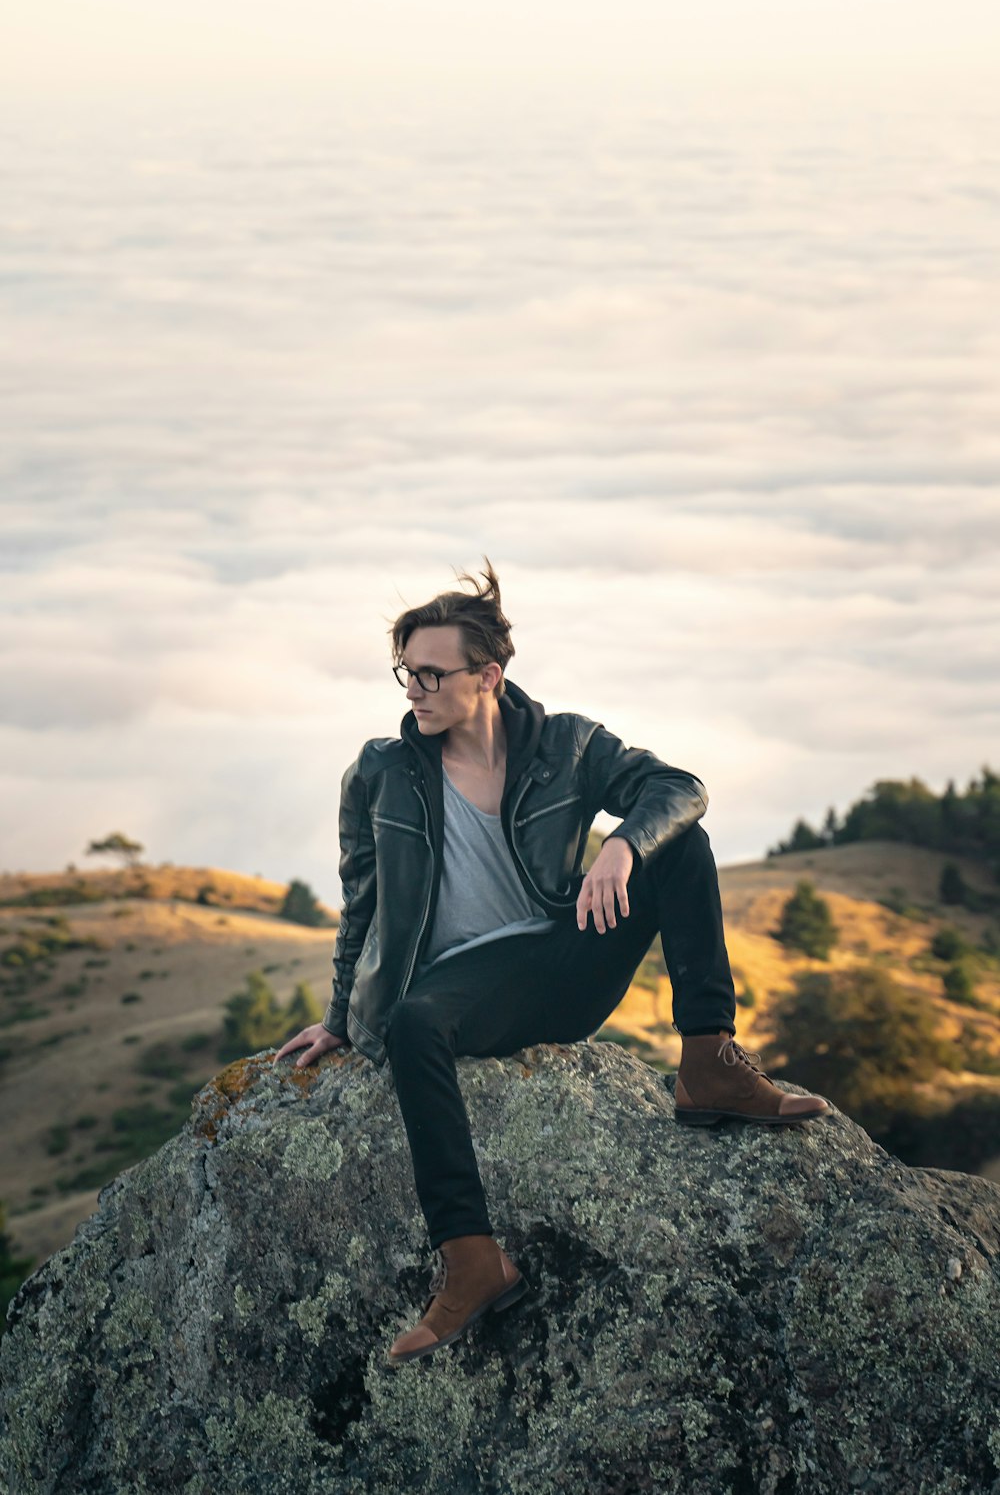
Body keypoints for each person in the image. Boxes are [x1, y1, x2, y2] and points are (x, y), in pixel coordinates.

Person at [273, 560, 830, 1365]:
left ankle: (708, 1061)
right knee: (412, 1023)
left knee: (684, 847)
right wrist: (336, 1019)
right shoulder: (380, 774)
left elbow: (680, 787)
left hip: (563, 958)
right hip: (461, 984)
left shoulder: (567, 745)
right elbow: (361, 902)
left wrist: (623, 845)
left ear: (488, 675)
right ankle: (472, 1262)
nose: (413, 689)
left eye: (431, 673)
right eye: (405, 672)